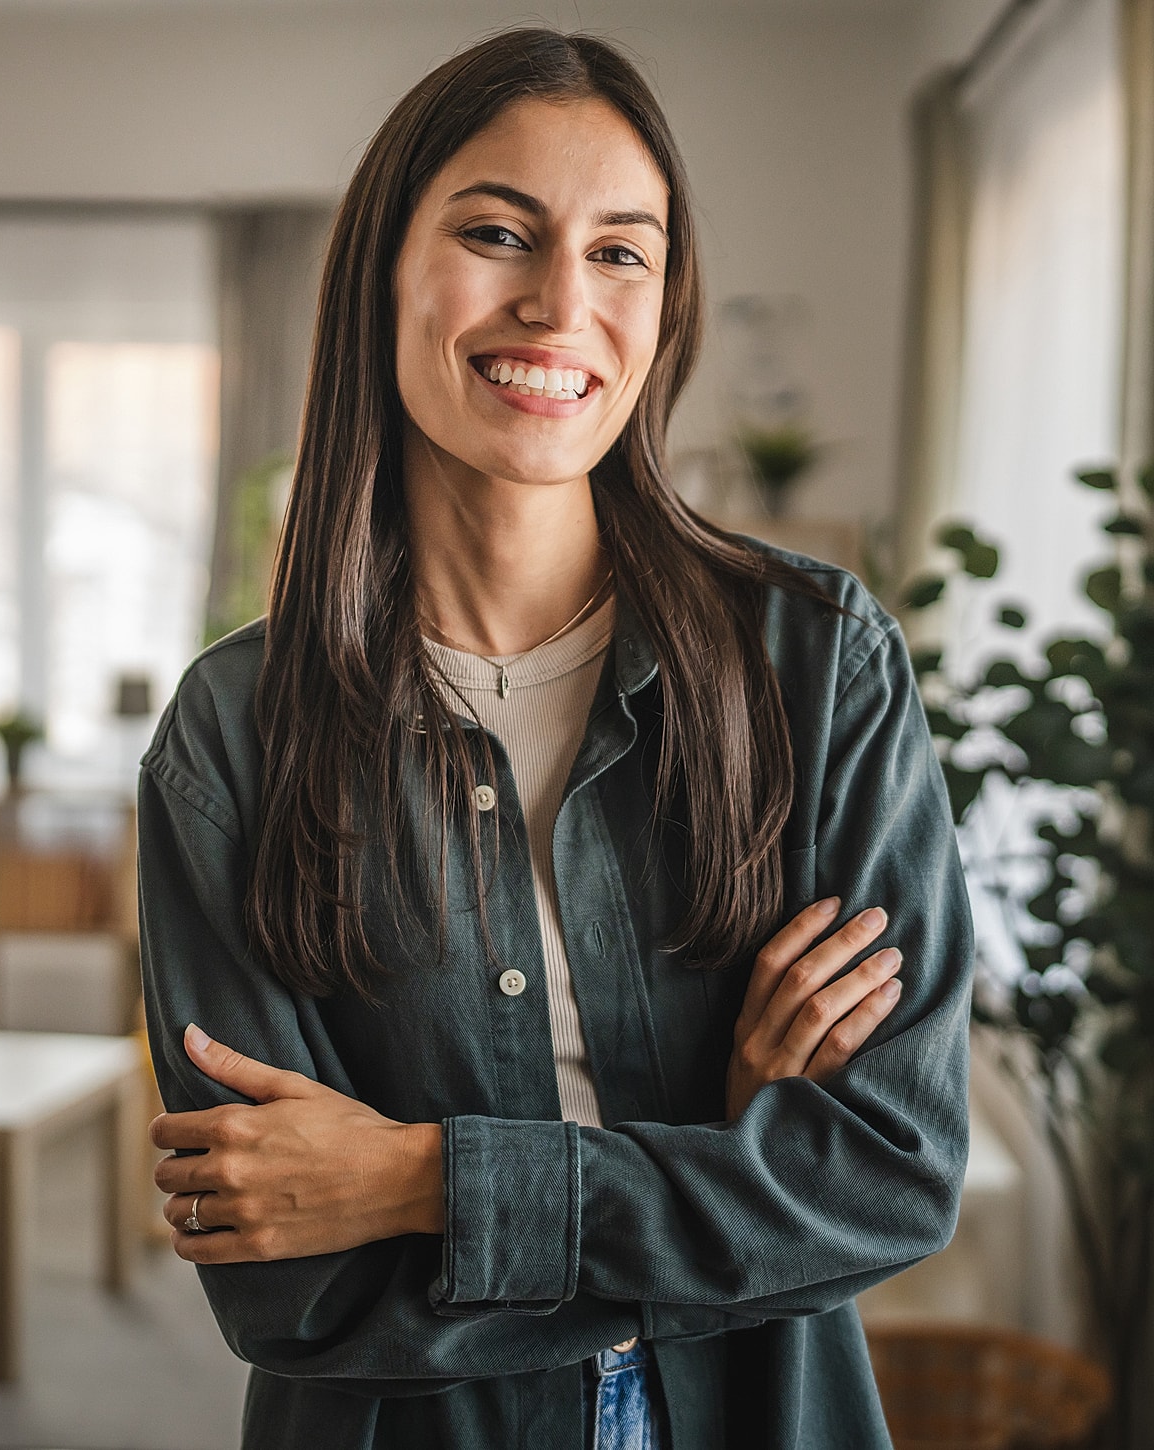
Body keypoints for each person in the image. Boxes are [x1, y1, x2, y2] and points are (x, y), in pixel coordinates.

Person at [138, 27, 974, 1450]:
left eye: (620, 252)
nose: (556, 304)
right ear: (382, 271)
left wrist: (417, 1177)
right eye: (496, 231)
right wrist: (721, 1173)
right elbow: (287, 1284)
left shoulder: (819, 664)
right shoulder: (233, 737)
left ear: (665, 305)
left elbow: (888, 1174)